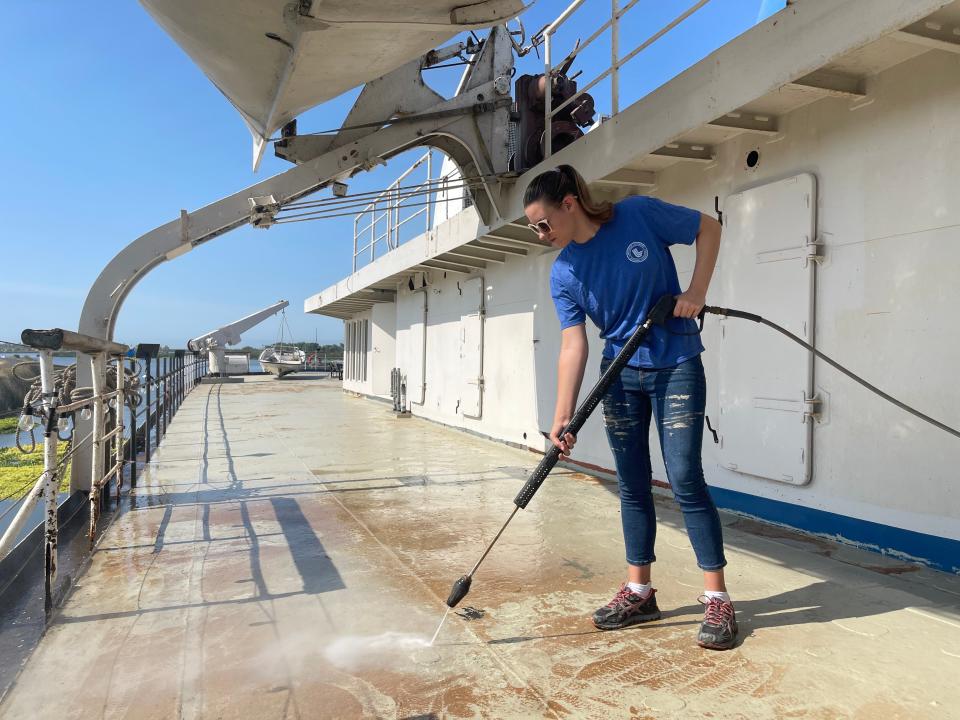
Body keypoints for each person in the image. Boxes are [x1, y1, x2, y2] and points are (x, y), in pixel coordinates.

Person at [523, 164, 736, 650]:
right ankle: (639, 591)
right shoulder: (564, 272)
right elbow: (573, 344)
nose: (541, 234)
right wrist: (562, 417)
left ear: (569, 204)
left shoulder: (638, 214)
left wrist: (696, 292)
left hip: (675, 362)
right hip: (619, 377)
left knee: (684, 477)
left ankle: (717, 599)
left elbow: (709, 227)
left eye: (542, 223)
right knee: (632, 483)